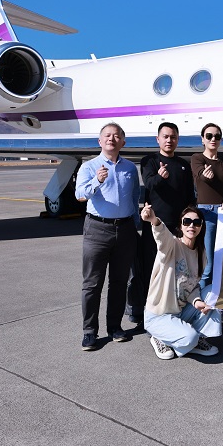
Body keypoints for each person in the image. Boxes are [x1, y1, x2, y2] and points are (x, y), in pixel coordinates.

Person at [74, 122, 141, 351]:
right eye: (107, 136)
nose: (111, 139)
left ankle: (114, 327)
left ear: (123, 141)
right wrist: (98, 181)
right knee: (92, 283)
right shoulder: (89, 166)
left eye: (116, 136)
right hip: (97, 229)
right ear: (100, 142)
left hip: (124, 230)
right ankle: (90, 332)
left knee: (120, 281)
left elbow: (134, 198)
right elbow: (80, 195)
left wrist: (136, 226)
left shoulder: (130, 168)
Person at [132, 122, 195, 328]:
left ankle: (171, 309)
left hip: (177, 228)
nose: (169, 140)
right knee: (150, 269)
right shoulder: (149, 161)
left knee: (174, 272)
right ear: (158, 139)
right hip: (155, 225)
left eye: (173, 137)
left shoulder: (183, 164)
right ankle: (143, 311)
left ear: (178, 140)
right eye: (165, 136)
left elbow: (188, 197)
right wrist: (160, 177)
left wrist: (187, 223)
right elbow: (149, 184)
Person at [142, 203, 221, 359]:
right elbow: (162, 236)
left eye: (197, 222)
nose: (192, 225)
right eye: (187, 222)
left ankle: (195, 338)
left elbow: (192, 286)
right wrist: (154, 220)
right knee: (188, 338)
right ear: (181, 225)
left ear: (201, 227)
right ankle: (160, 337)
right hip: (158, 315)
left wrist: (197, 301)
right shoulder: (172, 245)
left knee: (214, 292)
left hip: (179, 312)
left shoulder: (201, 254)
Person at [190, 123, 223, 290]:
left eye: (217, 136)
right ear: (203, 139)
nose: (213, 139)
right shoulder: (197, 158)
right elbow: (200, 174)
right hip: (205, 213)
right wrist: (205, 175)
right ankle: (204, 300)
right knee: (209, 263)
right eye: (209, 136)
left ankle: (217, 299)